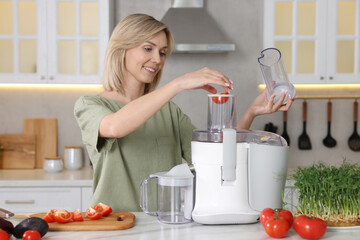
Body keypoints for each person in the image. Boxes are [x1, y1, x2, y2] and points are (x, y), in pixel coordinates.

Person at [74, 13, 293, 212]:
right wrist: (180, 83)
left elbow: (219, 156)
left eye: (162, 53)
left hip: (162, 224)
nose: (158, 60)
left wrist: (251, 112)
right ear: (122, 48)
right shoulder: (89, 105)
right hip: (111, 224)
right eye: (148, 49)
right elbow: (115, 126)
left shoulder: (168, 111)